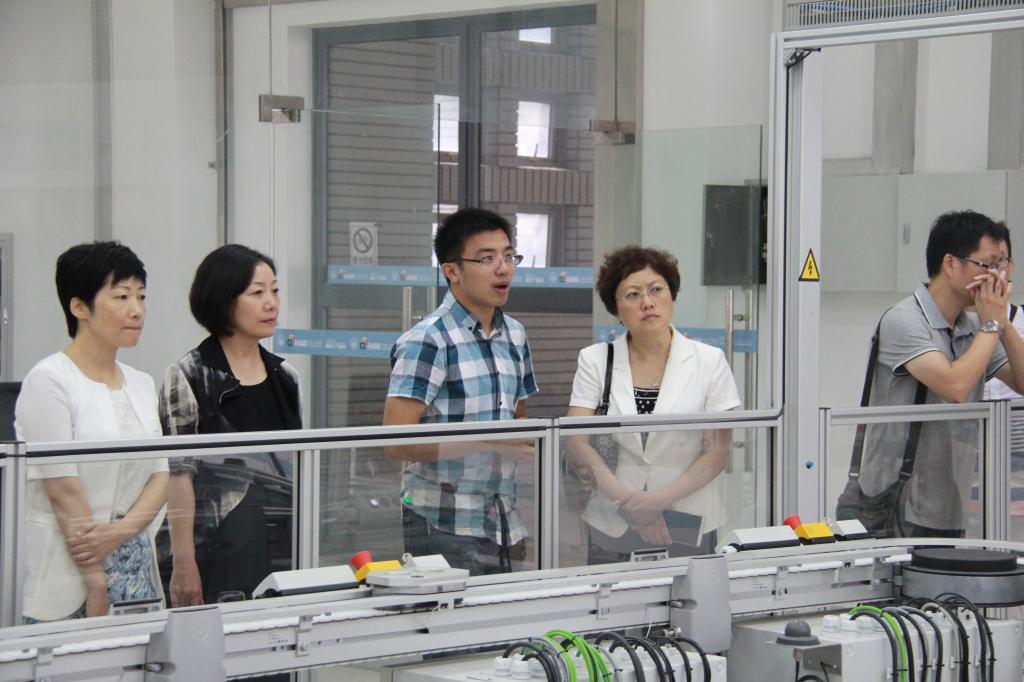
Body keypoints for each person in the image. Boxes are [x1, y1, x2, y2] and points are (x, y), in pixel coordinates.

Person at [15, 241, 168, 622]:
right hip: (70, 567)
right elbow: (62, 489)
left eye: (141, 296)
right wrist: (96, 579)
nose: (137, 310)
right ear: (79, 307)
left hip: (134, 562)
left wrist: (119, 533)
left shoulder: (141, 383)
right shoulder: (50, 379)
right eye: (121, 296)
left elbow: (160, 475)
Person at [384, 208, 539, 575]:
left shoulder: (515, 335)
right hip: (442, 521)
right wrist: (488, 440)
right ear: (451, 270)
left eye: (508, 256)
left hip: (503, 519)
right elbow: (396, 443)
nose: (503, 268)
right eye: (487, 259)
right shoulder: (428, 340)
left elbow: (517, 422)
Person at [565, 246, 740, 563]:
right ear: (616, 310)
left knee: (690, 594)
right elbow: (577, 441)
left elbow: (717, 452)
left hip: (687, 521)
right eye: (632, 294)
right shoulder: (595, 360)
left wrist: (656, 502)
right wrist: (630, 505)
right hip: (613, 519)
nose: (647, 302)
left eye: (656, 289)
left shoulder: (709, 361)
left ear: (672, 295)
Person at [857, 210, 1024, 537]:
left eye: (1002, 266)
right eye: (988, 265)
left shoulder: (974, 326)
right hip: (897, 504)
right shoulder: (905, 320)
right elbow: (955, 387)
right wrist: (991, 323)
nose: (996, 278)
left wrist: (1002, 321)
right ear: (950, 263)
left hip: (950, 504)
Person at [160, 244, 301, 607]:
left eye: (275, 290)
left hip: (283, 539)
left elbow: (296, 464)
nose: (271, 303)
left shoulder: (286, 376)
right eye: (257, 293)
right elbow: (178, 475)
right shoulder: (189, 375)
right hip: (216, 544)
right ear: (224, 300)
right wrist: (184, 562)